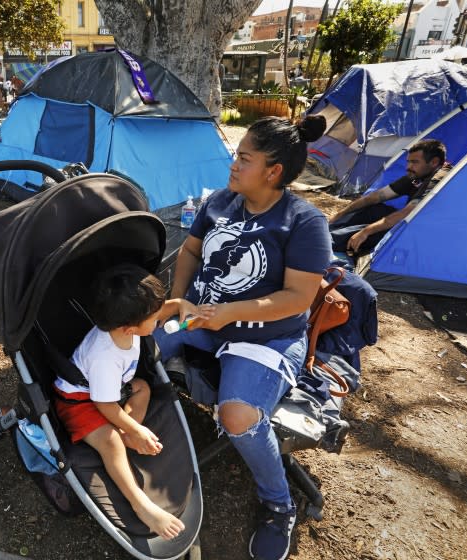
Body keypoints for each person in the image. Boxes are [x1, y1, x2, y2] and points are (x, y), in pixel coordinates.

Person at [153, 115, 332, 560]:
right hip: (202, 319)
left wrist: (228, 313)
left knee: (236, 416)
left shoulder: (304, 221)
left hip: (266, 336)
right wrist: (179, 304)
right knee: (142, 351)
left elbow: (298, 298)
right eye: (237, 155)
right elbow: (191, 251)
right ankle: (146, 442)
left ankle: (278, 504)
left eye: (244, 158)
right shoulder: (219, 202)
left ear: (273, 171)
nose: (234, 165)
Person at [52, 264, 186, 540]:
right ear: (129, 329)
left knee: (143, 388)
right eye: (154, 318)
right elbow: (105, 407)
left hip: (111, 389)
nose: (159, 318)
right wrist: (135, 429)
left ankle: (124, 434)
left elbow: (159, 310)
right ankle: (141, 504)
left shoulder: (128, 326)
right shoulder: (105, 356)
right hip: (79, 401)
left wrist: (184, 305)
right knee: (110, 441)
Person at [329, 139, 450, 256]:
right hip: (410, 222)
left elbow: (408, 213)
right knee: (375, 209)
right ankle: (329, 227)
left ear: (434, 162)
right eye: (408, 161)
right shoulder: (417, 175)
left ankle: (328, 241)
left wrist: (366, 231)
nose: (408, 166)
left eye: (415, 162)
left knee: (374, 230)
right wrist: (340, 214)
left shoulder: (438, 179)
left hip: (425, 236)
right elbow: (375, 197)